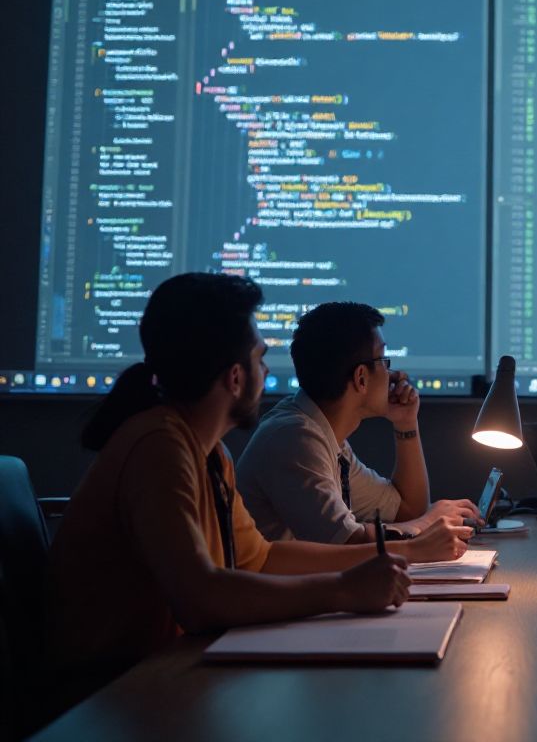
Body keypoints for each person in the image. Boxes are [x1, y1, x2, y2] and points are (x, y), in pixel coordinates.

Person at [46, 273, 410, 706]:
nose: (267, 370)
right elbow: (201, 598)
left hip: (166, 673)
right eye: (260, 358)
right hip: (108, 696)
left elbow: (263, 558)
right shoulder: (159, 447)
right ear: (235, 378)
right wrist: (344, 591)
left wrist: (372, 567)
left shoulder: (209, 453)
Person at [237, 301, 481, 551]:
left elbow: (406, 510)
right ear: (361, 378)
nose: (394, 374)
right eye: (384, 361)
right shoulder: (294, 438)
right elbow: (345, 542)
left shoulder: (325, 435)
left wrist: (405, 423)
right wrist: (427, 522)